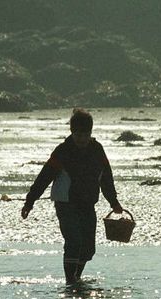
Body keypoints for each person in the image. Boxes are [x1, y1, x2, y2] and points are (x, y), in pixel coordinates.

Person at [21, 108, 124, 284]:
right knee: (74, 241)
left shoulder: (97, 150)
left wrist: (113, 202)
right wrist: (30, 201)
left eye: (85, 135)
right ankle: (70, 281)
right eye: (78, 135)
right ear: (72, 132)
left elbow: (106, 177)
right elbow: (44, 177)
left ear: (90, 133)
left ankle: (76, 277)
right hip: (65, 203)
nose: (82, 139)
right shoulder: (62, 151)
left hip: (87, 203)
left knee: (88, 248)